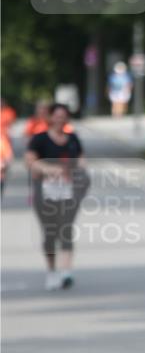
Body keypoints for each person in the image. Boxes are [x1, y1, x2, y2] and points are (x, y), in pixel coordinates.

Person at [24, 103, 89, 290]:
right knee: (50, 233)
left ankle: (66, 272)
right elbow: (30, 162)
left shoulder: (72, 138)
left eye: (64, 115)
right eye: (57, 115)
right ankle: (52, 270)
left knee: (66, 230)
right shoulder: (40, 139)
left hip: (68, 192)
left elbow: (81, 160)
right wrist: (50, 169)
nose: (61, 118)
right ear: (51, 117)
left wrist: (79, 172)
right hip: (45, 193)